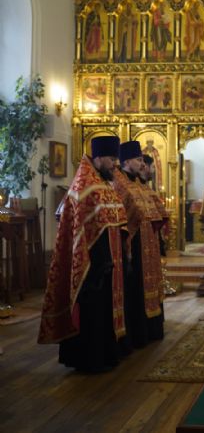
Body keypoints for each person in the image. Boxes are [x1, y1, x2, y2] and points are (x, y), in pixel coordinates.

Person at [38, 136, 128, 373]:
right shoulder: (84, 185)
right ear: (98, 158)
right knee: (91, 311)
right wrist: (99, 261)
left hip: (106, 262)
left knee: (103, 311)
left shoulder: (103, 183)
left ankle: (105, 355)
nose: (115, 164)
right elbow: (83, 228)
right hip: (90, 265)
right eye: (111, 159)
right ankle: (89, 359)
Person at [113, 141, 165, 349]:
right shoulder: (120, 183)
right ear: (126, 161)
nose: (143, 164)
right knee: (135, 289)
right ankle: (137, 334)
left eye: (143, 160)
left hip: (148, 244)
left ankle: (150, 330)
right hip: (133, 246)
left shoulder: (138, 183)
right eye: (138, 160)